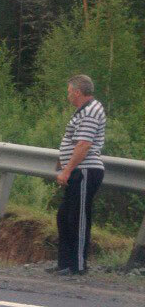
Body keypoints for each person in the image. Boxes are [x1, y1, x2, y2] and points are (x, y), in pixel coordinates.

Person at [54, 74, 106, 276]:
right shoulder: (81, 111)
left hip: (84, 170)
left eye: (69, 92)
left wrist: (67, 170)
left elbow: (84, 144)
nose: (67, 96)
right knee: (64, 216)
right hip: (76, 170)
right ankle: (65, 264)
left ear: (77, 92)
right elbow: (71, 142)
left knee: (78, 218)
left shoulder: (91, 111)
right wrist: (63, 166)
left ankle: (78, 265)